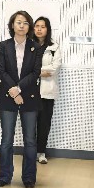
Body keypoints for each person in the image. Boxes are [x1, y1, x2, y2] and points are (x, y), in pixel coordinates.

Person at [0, 10, 42, 188]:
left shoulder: (35, 47)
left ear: (29, 27)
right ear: (12, 25)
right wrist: (14, 92)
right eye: (18, 22)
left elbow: (35, 72)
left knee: (30, 140)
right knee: (7, 139)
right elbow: (1, 71)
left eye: (25, 23)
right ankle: (4, 176)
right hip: (8, 95)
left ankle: (29, 177)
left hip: (29, 96)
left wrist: (19, 88)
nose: (22, 25)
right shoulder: (4, 46)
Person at [33, 16, 61, 165]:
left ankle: (41, 152)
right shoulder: (28, 45)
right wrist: (40, 72)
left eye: (42, 26)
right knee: (30, 123)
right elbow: (24, 66)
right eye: (37, 26)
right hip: (30, 91)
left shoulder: (54, 47)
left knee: (44, 123)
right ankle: (31, 152)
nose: (39, 29)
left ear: (47, 29)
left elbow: (55, 68)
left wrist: (36, 71)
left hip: (47, 91)